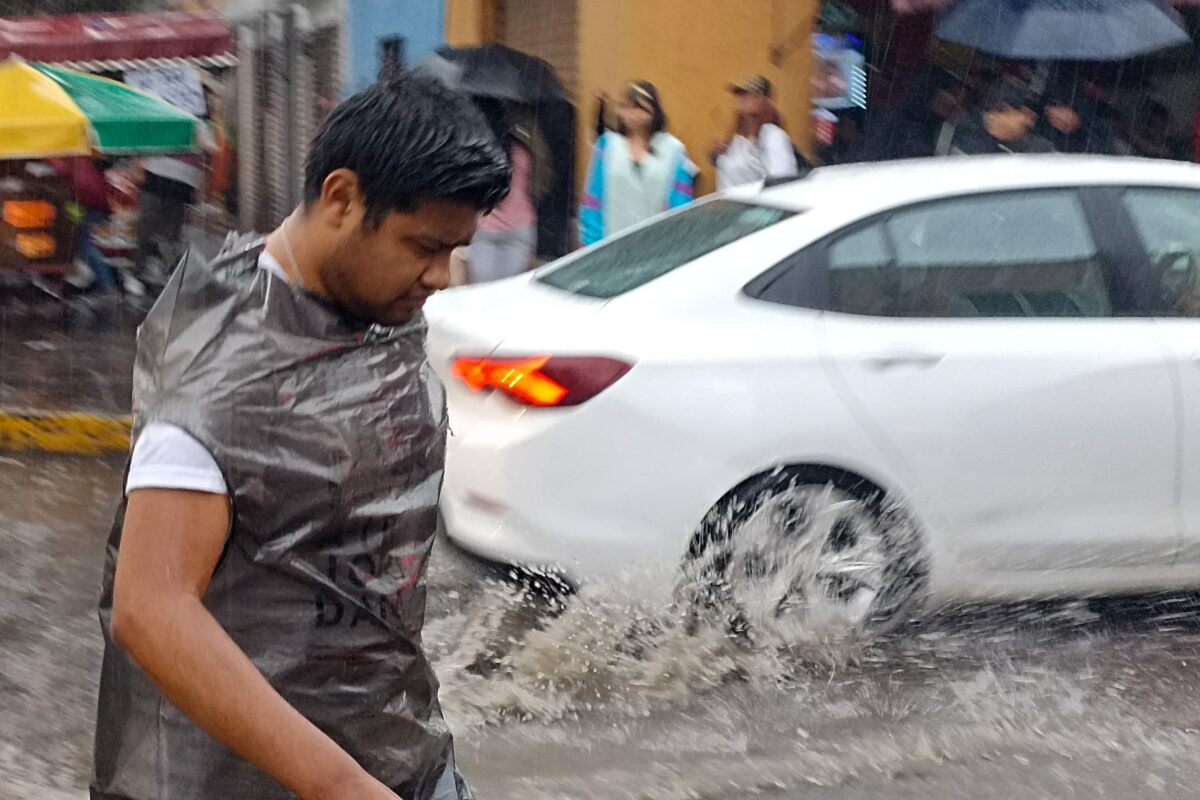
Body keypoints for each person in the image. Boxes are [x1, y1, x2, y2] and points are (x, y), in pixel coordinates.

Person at [91, 71, 511, 800]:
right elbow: (152, 608)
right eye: (424, 246)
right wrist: (340, 785)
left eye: (456, 249)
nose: (441, 276)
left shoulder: (365, 309)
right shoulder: (221, 370)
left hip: (395, 748)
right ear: (342, 199)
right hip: (254, 780)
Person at [580, 81, 694, 246]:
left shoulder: (673, 150)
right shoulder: (607, 146)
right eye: (628, 107)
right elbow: (594, 199)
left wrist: (676, 244)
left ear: (654, 112)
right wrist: (590, 244)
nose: (634, 114)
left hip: (657, 246)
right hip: (610, 245)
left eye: (641, 108)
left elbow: (681, 204)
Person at [469, 101, 546, 282]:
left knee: (485, 290)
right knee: (510, 290)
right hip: (520, 226)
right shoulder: (525, 148)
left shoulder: (479, 152)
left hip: (484, 227)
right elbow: (538, 185)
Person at [133, 123, 217, 284]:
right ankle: (147, 269)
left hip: (177, 183)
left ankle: (160, 270)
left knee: (162, 229)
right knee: (152, 226)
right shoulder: (171, 118)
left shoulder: (197, 123)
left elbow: (208, 154)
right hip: (163, 178)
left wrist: (203, 187)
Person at [711, 74, 800, 189]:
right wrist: (716, 155)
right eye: (738, 93)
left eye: (748, 94)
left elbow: (782, 181)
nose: (741, 98)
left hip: (754, 200)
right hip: (727, 200)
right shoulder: (736, 138)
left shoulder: (772, 135)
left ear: (764, 100)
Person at [51, 156, 121, 300]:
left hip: (92, 207)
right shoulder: (82, 160)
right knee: (90, 244)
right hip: (98, 206)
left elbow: (63, 170)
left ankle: (107, 286)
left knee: (86, 245)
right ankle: (103, 284)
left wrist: (47, 157)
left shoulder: (76, 161)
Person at [950, 80, 1054, 156]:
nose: (993, 117)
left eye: (1003, 111)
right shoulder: (970, 138)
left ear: (1028, 117)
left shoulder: (1043, 150)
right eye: (999, 111)